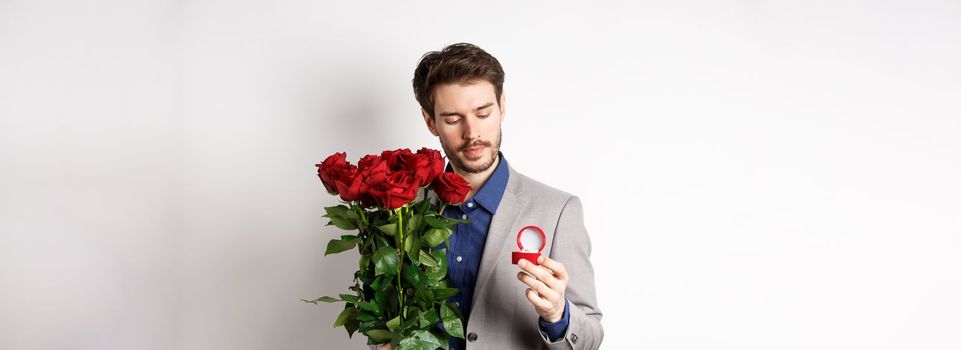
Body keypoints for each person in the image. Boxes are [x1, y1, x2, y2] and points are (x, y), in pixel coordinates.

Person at [380, 43, 603, 349]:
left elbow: (590, 339)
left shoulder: (558, 211)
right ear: (430, 121)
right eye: (453, 119)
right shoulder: (401, 209)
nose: (472, 132)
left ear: (502, 106)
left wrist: (557, 314)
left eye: (483, 113)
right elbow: (381, 317)